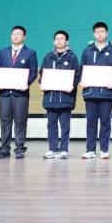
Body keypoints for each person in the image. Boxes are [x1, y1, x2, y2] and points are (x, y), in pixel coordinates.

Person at [80, 22, 112, 159]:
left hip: (106, 93)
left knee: (105, 122)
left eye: (102, 31)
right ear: (94, 34)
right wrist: (82, 80)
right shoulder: (88, 50)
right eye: (97, 32)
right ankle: (90, 150)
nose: (100, 34)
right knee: (91, 122)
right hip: (90, 92)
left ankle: (104, 150)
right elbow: (81, 69)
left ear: (107, 33)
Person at [0, 25, 38, 159]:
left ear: (24, 37)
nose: (15, 36)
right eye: (13, 33)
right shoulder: (3, 52)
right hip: (4, 93)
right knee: (5, 121)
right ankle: (4, 149)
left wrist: (26, 83)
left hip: (21, 94)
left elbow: (33, 72)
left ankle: (19, 148)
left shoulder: (30, 53)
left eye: (19, 34)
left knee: (20, 121)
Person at [40, 30, 80, 159]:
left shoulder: (72, 57)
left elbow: (77, 75)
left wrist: (72, 85)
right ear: (54, 41)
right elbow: (42, 74)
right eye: (57, 39)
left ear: (67, 41)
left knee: (65, 126)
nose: (59, 41)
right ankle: (52, 149)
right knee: (51, 125)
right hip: (50, 97)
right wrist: (42, 83)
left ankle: (63, 149)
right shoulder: (48, 57)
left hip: (66, 98)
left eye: (62, 39)